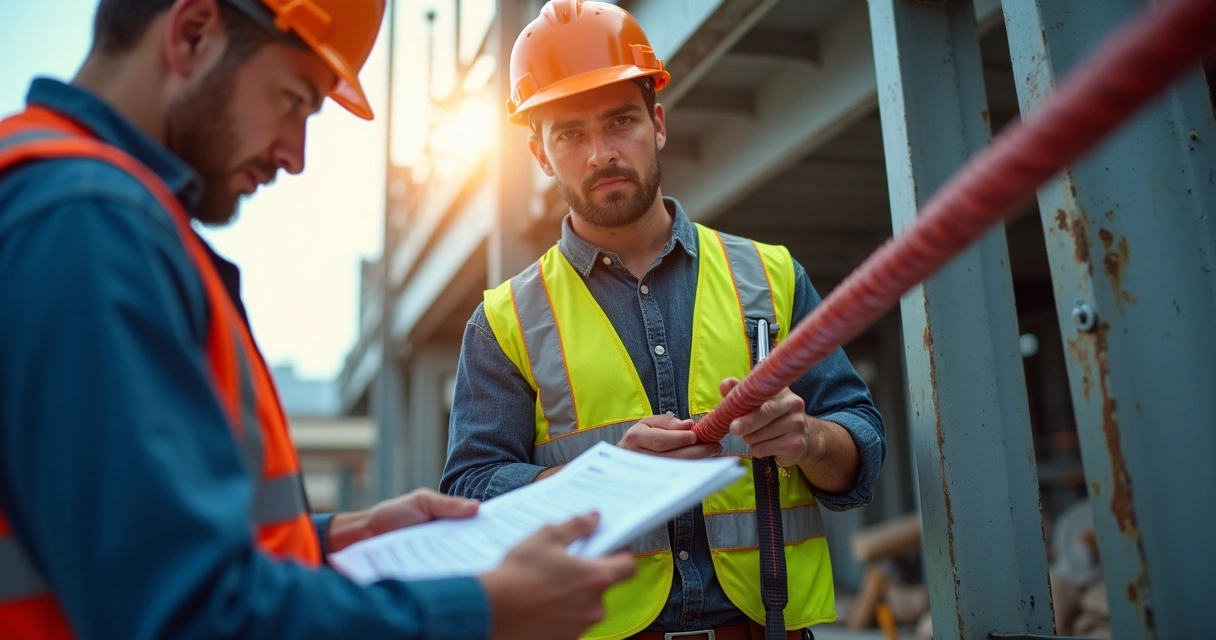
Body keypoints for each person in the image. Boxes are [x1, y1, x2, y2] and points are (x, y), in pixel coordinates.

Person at [0, 1, 634, 638]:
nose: (294, 154)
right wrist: (482, 611)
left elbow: (143, 553)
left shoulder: (81, 214)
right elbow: (188, 615)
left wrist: (328, 540)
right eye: (294, 100)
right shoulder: (83, 227)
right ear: (192, 34)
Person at [440, 2, 887, 639]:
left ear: (657, 125)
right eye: (569, 134)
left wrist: (808, 440)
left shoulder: (771, 276)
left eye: (620, 121)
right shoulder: (504, 320)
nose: (600, 154)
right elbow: (471, 493)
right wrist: (609, 474)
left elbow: (861, 451)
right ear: (540, 155)